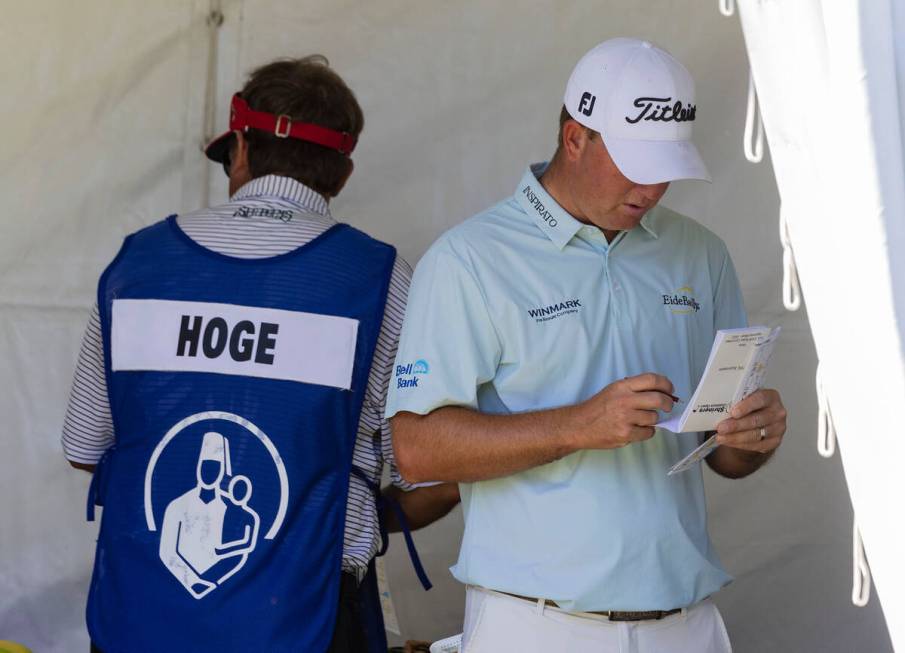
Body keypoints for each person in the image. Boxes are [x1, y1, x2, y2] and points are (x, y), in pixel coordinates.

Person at [386, 38, 788, 653]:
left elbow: (722, 455)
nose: (652, 187)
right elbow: (416, 450)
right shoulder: (470, 260)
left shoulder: (701, 253)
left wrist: (751, 438)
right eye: (636, 161)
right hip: (536, 626)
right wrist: (578, 426)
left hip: (686, 622)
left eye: (667, 167)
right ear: (576, 137)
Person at [62, 55, 459, 653]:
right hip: (311, 620)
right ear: (343, 172)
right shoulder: (381, 280)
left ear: (240, 150)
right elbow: (422, 476)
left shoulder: (136, 267)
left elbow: (83, 449)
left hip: (141, 621)